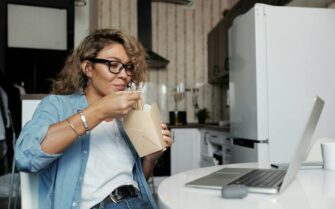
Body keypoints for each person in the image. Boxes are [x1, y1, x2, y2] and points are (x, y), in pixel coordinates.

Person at [15, 29, 173, 209]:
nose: (124, 74)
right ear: (88, 68)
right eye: (114, 64)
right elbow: (26, 157)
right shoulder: (57, 105)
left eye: (128, 67)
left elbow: (135, 182)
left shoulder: (126, 119)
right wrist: (100, 111)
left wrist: (150, 159)